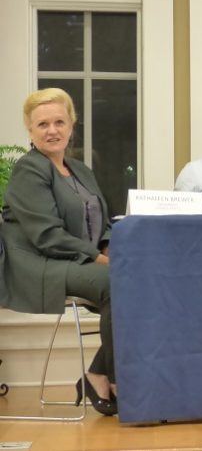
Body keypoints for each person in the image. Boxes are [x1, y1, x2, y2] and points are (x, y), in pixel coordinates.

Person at [0, 88, 117, 415]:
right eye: (42, 125)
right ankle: (118, 377)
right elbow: (47, 235)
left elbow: (103, 223)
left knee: (136, 276)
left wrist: (109, 247)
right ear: (30, 131)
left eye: (59, 122)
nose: (52, 131)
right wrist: (98, 258)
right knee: (116, 282)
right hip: (41, 262)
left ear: (71, 125)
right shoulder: (29, 170)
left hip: (77, 259)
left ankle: (98, 373)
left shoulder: (81, 169)